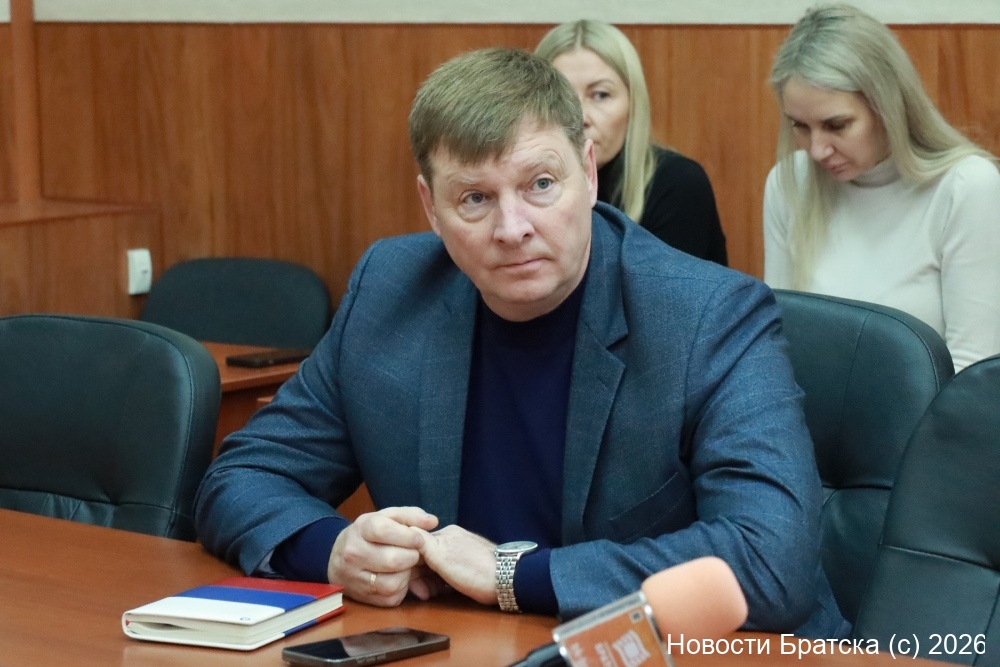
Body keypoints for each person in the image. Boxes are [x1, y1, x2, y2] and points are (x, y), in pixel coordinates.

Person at [195, 47, 847, 639]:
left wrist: (511, 574)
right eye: (475, 198)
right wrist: (333, 549)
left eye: (540, 185)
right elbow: (242, 476)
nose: (513, 228)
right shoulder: (390, 293)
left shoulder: (707, 314)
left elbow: (770, 562)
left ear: (588, 172)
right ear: (430, 207)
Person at [763, 3, 1000, 372]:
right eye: (800, 126)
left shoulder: (966, 188)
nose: (817, 149)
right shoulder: (790, 181)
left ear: (888, 106)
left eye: (837, 125)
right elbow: (778, 342)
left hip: (931, 410)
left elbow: (972, 371)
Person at [535, 19, 728, 265]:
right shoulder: (518, 188)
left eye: (601, 95)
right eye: (562, 98)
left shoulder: (677, 183)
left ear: (633, 104)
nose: (581, 117)